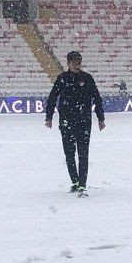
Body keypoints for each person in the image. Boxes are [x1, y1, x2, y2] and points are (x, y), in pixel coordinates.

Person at [45, 51, 105, 195]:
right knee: (69, 154)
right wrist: (49, 117)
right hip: (66, 122)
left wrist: (101, 118)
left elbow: (97, 98)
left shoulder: (87, 78)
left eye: (79, 63)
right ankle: (75, 182)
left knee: (83, 154)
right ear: (68, 63)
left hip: (84, 122)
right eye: (74, 63)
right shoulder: (62, 79)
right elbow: (52, 98)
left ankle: (82, 185)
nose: (77, 66)